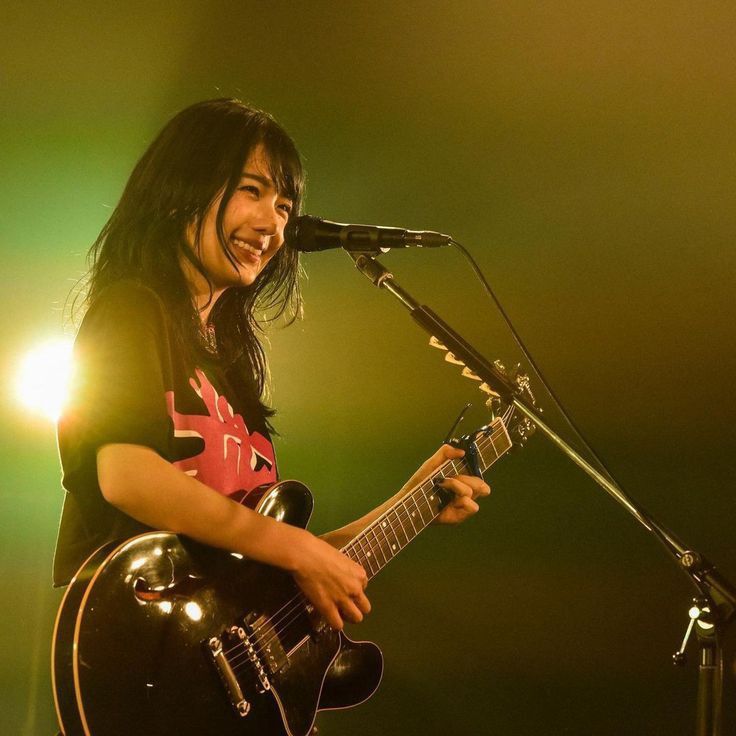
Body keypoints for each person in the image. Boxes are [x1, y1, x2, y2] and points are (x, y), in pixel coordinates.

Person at [53, 97, 490, 637]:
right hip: (144, 644)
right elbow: (127, 476)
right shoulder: (131, 309)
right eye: (251, 190)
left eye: (284, 207)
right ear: (177, 193)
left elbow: (271, 567)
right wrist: (298, 549)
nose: (272, 226)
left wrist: (410, 501)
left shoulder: (231, 365)